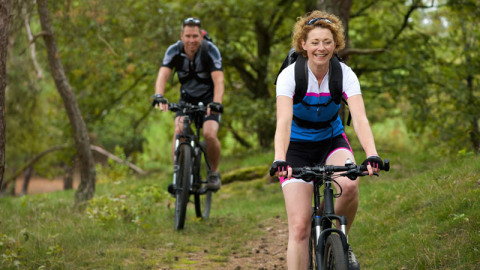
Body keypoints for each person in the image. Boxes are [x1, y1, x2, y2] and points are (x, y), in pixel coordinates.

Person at [271, 10, 384, 270]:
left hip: (331, 141)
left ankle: (341, 240)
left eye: (327, 42)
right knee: (299, 227)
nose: (321, 48)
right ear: (303, 44)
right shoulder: (290, 76)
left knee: (350, 184)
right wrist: (280, 158)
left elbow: (360, 118)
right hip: (296, 147)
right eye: (315, 42)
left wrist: (372, 153)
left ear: (336, 45)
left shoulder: (344, 74)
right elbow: (284, 122)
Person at [153, 17, 224, 191]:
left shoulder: (210, 51)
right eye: (188, 36)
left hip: (209, 100)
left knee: (209, 134)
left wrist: (216, 103)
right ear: (182, 36)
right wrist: (159, 96)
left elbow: (219, 80)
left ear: (200, 36)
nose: (191, 40)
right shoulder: (174, 51)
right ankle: (178, 174)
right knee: (179, 131)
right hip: (186, 100)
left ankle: (213, 172)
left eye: (195, 36)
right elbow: (163, 75)